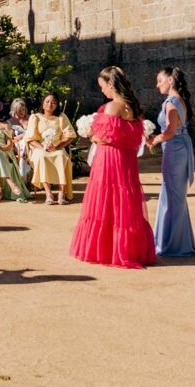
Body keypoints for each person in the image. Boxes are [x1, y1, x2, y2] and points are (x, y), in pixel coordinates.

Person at [71, 66, 157, 269]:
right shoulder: (132, 107)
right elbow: (135, 138)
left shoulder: (112, 107)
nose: (102, 91)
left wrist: (91, 135)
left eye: (103, 86)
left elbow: (102, 138)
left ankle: (107, 249)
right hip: (127, 161)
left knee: (105, 200)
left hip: (109, 160)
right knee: (125, 202)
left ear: (111, 84)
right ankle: (129, 248)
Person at [146, 66, 195, 257]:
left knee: (172, 196)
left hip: (174, 150)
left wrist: (154, 140)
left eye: (160, 80)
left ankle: (170, 244)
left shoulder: (170, 102)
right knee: (176, 196)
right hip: (180, 148)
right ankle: (177, 241)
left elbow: (169, 131)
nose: (157, 84)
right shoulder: (179, 100)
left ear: (170, 81)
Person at [27, 93, 75, 206]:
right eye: (47, 102)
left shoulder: (61, 117)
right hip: (40, 148)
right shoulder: (36, 117)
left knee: (61, 156)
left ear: (57, 105)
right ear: (43, 104)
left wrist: (58, 147)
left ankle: (62, 193)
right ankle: (48, 193)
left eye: (53, 102)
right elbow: (29, 139)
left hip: (57, 147)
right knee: (42, 157)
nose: (50, 104)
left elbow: (70, 135)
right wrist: (42, 147)